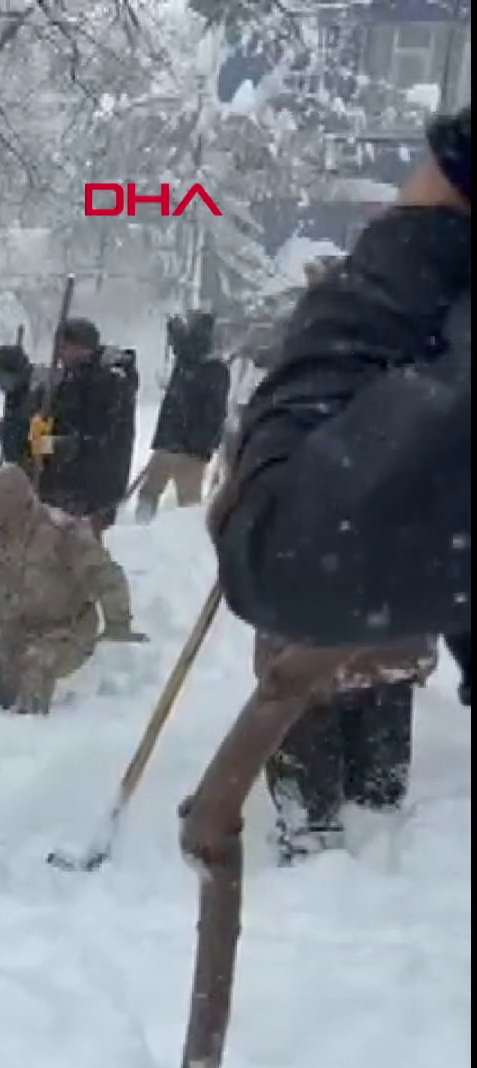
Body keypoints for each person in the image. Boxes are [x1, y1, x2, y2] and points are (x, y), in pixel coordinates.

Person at [210, 107, 469, 687]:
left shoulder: (390, 332)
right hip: (370, 604)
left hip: (356, 605)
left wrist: (420, 238)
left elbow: (286, 546)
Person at [0, 465, 147, 714]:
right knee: (3, 689)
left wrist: (118, 623)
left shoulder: (63, 533)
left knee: (35, 668)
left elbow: (106, 575)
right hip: (16, 633)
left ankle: (29, 738)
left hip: (67, 631)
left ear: (18, 505)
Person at [258, 632, 437, 864]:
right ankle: (318, 835)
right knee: (374, 799)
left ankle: (320, 834)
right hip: (388, 633)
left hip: (307, 644)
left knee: (373, 806)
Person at [33, 318, 139, 531]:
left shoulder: (109, 381)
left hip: (95, 484)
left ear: (83, 348)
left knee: (84, 550)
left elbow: (102, 436)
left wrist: (59, 444)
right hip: (68, 481)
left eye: (64, 347)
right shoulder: (73, 376)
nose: (59, 353)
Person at [136, 313, 231, 521]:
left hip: (190, 446)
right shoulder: (192, 363)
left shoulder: (210, 367)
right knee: (150, 492)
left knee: (187, 502)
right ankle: (141, 530)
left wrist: (201, 445)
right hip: (174, 440)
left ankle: (186, 542)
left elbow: (191, 353)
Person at [0, 343, 41, 468]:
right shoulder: (15, 392)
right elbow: (14, 423)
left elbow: (39, 438)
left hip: (35, 469)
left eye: (0, 377)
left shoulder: (37, 393)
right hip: (17, 464)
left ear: (14, 374)